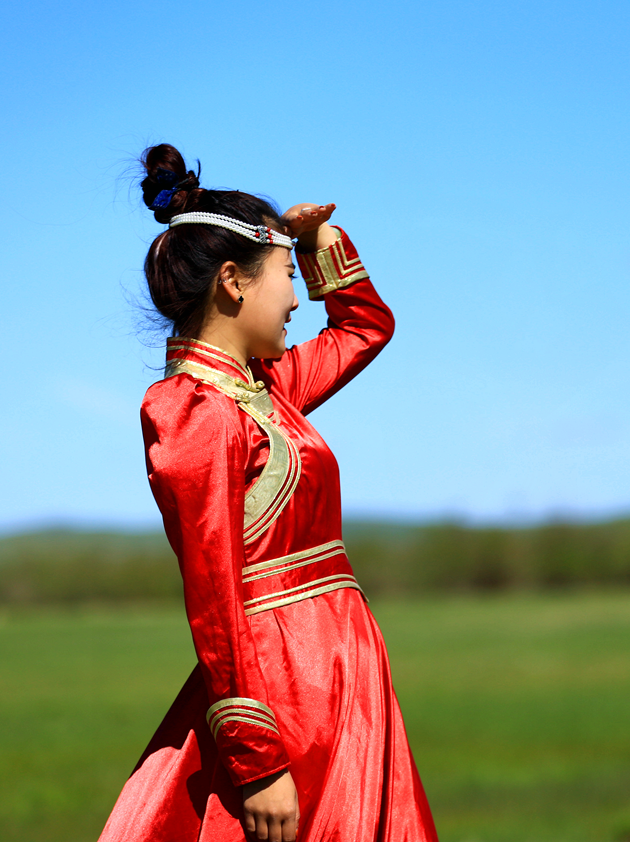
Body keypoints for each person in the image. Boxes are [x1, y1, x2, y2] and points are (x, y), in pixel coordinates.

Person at [98, 144, 439, 842]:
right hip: (285, 690)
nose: (293, 298)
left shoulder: (269, 392)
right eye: (286, 276)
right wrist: (257, 764)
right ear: (233, 281)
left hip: (343, 668)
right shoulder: (191, 413)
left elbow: (365, 327)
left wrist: (318, 244)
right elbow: (214, 595)